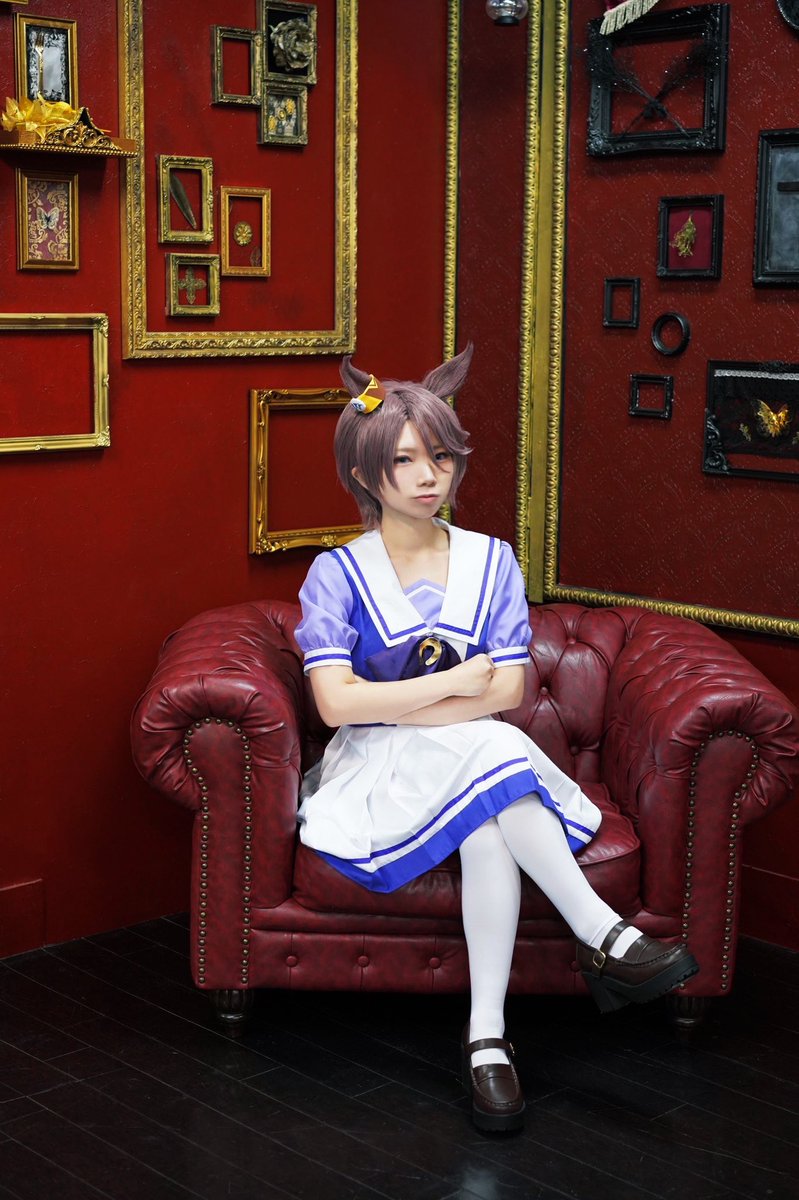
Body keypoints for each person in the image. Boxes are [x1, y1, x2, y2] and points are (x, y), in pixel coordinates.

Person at [294, 345, 698, 1133]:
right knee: (497, 754)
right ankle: (601, 936)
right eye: (404, 459)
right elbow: (337, 707)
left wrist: (394, 701)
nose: (428, 476)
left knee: (486, 812)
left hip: (469, 754)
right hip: (378, 767)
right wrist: (451, 683)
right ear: (364, 471)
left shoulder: (491, 560)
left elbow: (508, 690)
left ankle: (486, 1038)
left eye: (441, 456)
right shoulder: (337, 574)